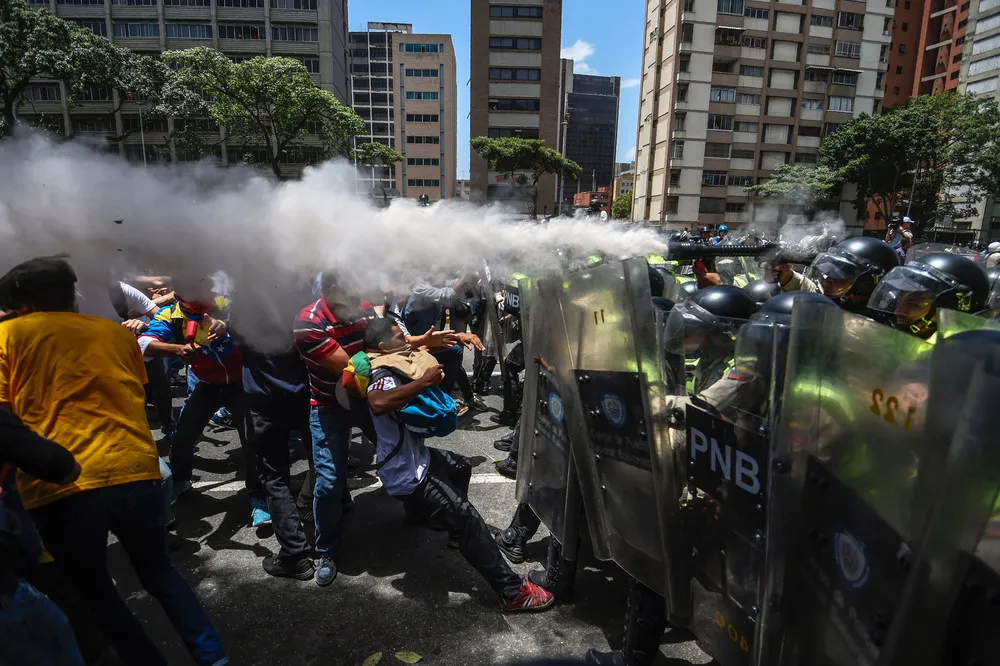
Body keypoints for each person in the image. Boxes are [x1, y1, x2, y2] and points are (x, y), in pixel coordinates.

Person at [0, 257, 228, 666]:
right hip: (136, 468)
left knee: (97, 593)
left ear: (20, 303)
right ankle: (214, 660)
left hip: (62, 485)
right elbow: (138, 392)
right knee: (161, 575)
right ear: (72, 295)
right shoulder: (114, 333)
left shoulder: (5, 338)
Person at [362, 318, 555, 612]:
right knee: (468, 519)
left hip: (418, 461)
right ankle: (512, 591)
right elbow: (377, 403)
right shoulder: (383, 373)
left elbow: (416, 348)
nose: (406, 339)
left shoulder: (392, 358)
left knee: (461, 466)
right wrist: (423, 383)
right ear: (382, 346)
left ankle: (427, 519)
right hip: (407, 475)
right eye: (399, 336)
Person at [137, 278, 268, 525]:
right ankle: (180, 481)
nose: (207, 294)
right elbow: (143, 343)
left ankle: (257, 495)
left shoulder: (224, 303)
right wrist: (176, 350)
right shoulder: (171, 315)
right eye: (198, 291)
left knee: (251, 439)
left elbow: (256, 321)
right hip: (205, 385)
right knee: (184, 435)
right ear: (181, 294)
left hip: (240, 385)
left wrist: (228, 324)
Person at [293, 271, 379, 587]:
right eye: (351, 293)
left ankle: (420, 509)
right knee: (328, 483)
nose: (359, 301)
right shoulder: (308, 322)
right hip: (328, 404)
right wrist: (388, 352)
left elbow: (387, 342)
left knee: (402, 456)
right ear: (330, 290)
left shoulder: (364, 307)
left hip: (367, 400)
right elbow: (351, 368)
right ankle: (327, 550)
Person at [867, 252, 989, 338]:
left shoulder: (957, 357)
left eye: (914, 304)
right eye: (899, 301)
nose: (898, 311)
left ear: (951, 308)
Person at [808, 236, 901, 315]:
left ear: (866, 286)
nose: (825, 282)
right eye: (827, 275)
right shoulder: (825, 309)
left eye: (837, 278)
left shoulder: (882, 327)